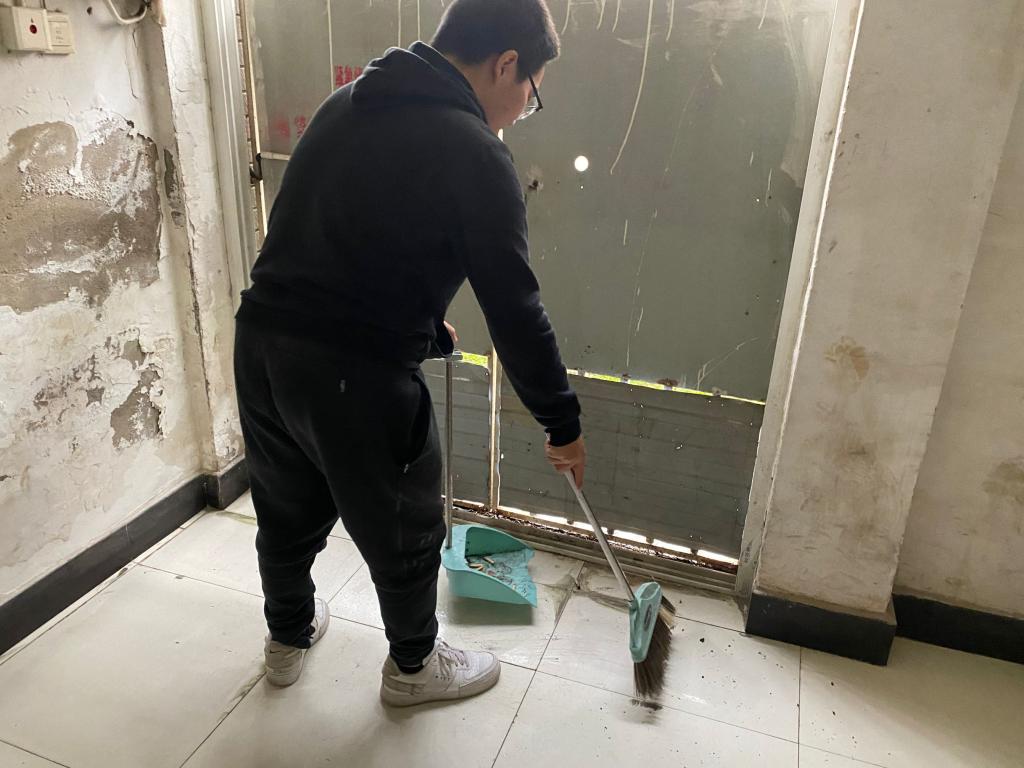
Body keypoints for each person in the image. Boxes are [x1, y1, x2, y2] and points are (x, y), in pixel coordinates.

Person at [232, 0, 585, 708]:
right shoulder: (475, 150)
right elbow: (515, 309)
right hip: (353, 375)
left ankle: (287, 635)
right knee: (406, 525)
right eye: (532, 92)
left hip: (263, 346)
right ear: (506, 64)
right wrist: (562, 421)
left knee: (285, 505)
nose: (524, 108)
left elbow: (335, 240)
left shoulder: (346, 104)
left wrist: (420, 327)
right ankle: (415, 669)